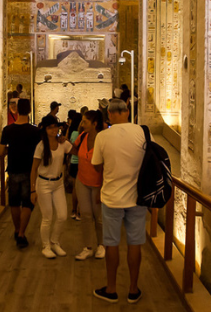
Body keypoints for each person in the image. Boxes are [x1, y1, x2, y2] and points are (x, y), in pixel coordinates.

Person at [91, 98, 147, 303]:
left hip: (112, 197)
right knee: (135, 243)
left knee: (111, 244)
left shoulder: (103, 136)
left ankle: (112, 289)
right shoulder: (142, 132)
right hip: (137, 197)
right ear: (127, 112)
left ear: (110, 115)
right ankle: (133, 290)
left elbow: (96, 165)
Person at [0, 99, 41, 248]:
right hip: (29, 171)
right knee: (28, 203)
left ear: (17, 110)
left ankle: (17, 230)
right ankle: (22, 233)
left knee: (15, 203)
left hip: (13, 169)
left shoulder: (8, 130)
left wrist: (12, 150)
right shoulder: (35, 131)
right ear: (29, 111)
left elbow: (1, 151)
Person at [30, 114, 72, 259]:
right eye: (50, 127)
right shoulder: (41, 146)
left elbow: (76, 151)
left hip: (58, 183)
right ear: (45, 129)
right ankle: (46, 245)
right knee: (47, 217)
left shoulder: (62, 144)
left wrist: (67, 139)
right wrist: (33, 190)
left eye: (55, 126)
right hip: (44, 184)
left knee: (62, 215)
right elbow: (34, 169)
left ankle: (54, 242)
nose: (54, 130)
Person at [72, 109, 105, 261]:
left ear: (94, 124)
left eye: (85, 121)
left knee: (98, 216)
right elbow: (74, 150)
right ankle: (88, 247)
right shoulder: (82, 136)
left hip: (98, 183)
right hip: (82, 180)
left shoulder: (103, 140)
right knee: (85, 214)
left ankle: (102, 245)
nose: (82, 124)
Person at [65, 109, 83, 219]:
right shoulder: (82, 134)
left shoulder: (73, 133)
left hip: (73, 162)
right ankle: (80, 211)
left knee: (75, 188)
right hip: (81, 162)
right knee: (81, 188)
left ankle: (73, 210)